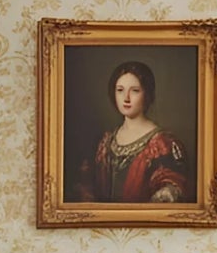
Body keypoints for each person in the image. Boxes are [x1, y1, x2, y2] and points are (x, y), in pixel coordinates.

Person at [75, 61, 192, 205]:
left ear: (147, 94)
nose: (126, 98)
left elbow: (174, 188)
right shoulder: (105, 142)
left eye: (135, 91)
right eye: (120, 90)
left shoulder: (164, 144)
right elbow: (87, 186)